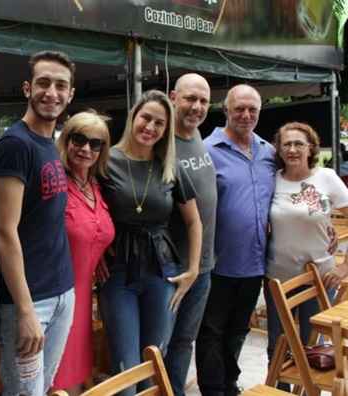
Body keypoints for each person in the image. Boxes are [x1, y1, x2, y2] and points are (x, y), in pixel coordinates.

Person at [99, 90, 203, 396]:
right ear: (133, 116)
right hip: (118, 273)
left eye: (160, 123)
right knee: (126, 370)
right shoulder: (106, 161)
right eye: (146, 118)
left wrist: (194, 269)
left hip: (162, 272)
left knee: (155, 361)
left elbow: (194, 221)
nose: (151, 127)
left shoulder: (170, 166)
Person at [0, 50, 76, 395]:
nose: (51, 92)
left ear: (70, 94)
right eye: (43, 83)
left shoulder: (51, 144)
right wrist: (24, 310)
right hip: (30, 302)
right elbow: (4, 231)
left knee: (41, 389)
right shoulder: (16, 144)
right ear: (28, 88)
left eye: (60, 85)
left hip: (61, 293)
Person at [196, 84, 276, 396]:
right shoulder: (206, 150)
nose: (245, 115)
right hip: (216, 262)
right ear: (226, 110)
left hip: (255, 263)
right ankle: (213, 389)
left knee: (238, 330)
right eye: (238, 108)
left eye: (252, 109)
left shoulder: (268, 152)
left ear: (259, 112)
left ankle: (229, 382)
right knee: (212, 331)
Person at [265, 122, 348, 363]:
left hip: (320, 278)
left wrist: (344, 268)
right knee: (279, 345)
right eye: (286, 144)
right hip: (278, 278)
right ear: (279, 150)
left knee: (313, 347)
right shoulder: (271, 180)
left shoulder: (326, 177)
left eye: (299, 144)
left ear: (311, 148)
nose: (292, 149)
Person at [52, 111, 115, 395]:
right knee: (58, 375)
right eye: (79, 139)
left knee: (79, 371)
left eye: (96, 143)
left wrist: (98, 254)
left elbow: (90, 229)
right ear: (66, 140)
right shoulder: (55, 185)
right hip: (57, 297)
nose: (86, 148)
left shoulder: (96, 186)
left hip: (84, 299)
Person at [165, 73, 217, 396]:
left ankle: (175, 392)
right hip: (171, 269)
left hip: (203, 266)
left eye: (203, 101)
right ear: (173, 97)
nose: (196, 107)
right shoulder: (159, 141)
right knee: (160, 343)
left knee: (185, 340)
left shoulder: (200, 137)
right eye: (189, 99)